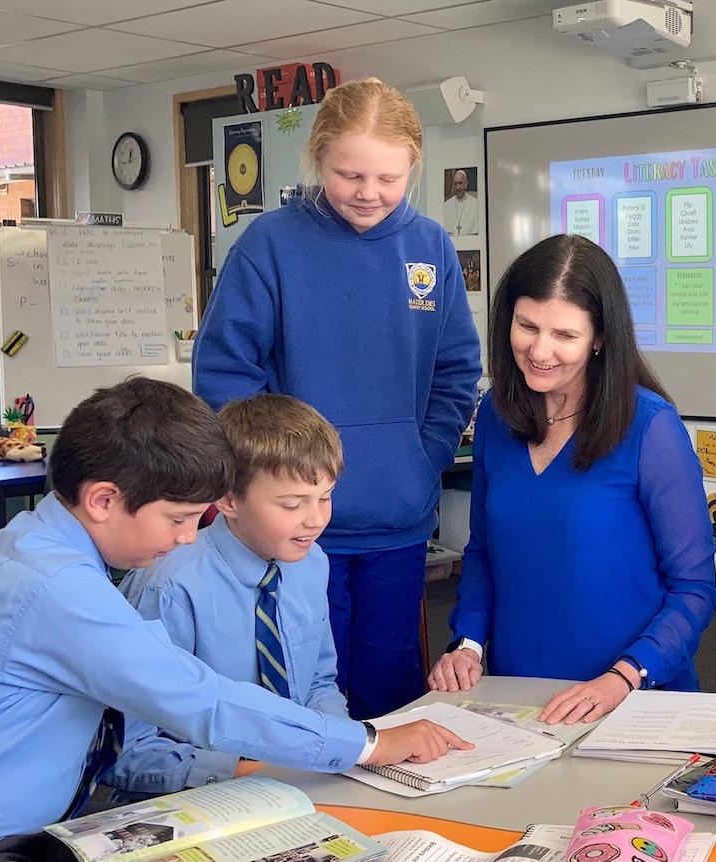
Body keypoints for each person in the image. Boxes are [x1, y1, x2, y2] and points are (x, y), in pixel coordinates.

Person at [0, 377, 469, 858]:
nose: (188, 536)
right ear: (103, 499)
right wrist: (368, 743)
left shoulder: (34, 549)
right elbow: (200, 700)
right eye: (177, 518)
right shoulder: (56, 587)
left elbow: (314, 682)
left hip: (33, 828)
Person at [193, 78, 482, 720]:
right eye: (350, 175)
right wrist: (276, 477)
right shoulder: (269, 245)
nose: (369, 193)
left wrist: (422, 453)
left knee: (390, 693)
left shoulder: (431, 247)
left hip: (396, 523)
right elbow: (224, 376)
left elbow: (457, 368)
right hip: (292, 529)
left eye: (388, 178)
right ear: (317, 158)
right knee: (300, 697)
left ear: (413, 166)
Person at [427, 234, 716, 724]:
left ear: (600, 338)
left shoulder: (651, 427)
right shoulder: (497, 416)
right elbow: (483, 555)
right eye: (527, 327)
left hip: (631, 694)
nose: (540, 351)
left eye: (564, 335)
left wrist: (625, 676)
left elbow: (695, 588)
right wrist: (468, 644)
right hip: (515, 693)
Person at [105, 393, 350, 797]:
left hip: (299, 782)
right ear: (228, 499)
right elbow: (128, 751)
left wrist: (338, 747)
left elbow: (319, 684)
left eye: (325, 497)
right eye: (291, 504)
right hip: (194, 796)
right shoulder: (170, 587)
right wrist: (252, 771)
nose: (316, 519)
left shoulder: (310, 563)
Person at [443, 169, 479, 237]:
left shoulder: (475, 204)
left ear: (466, 184)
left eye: (460, 183)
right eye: (455, 184)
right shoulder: (446, 205)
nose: (458, 187)